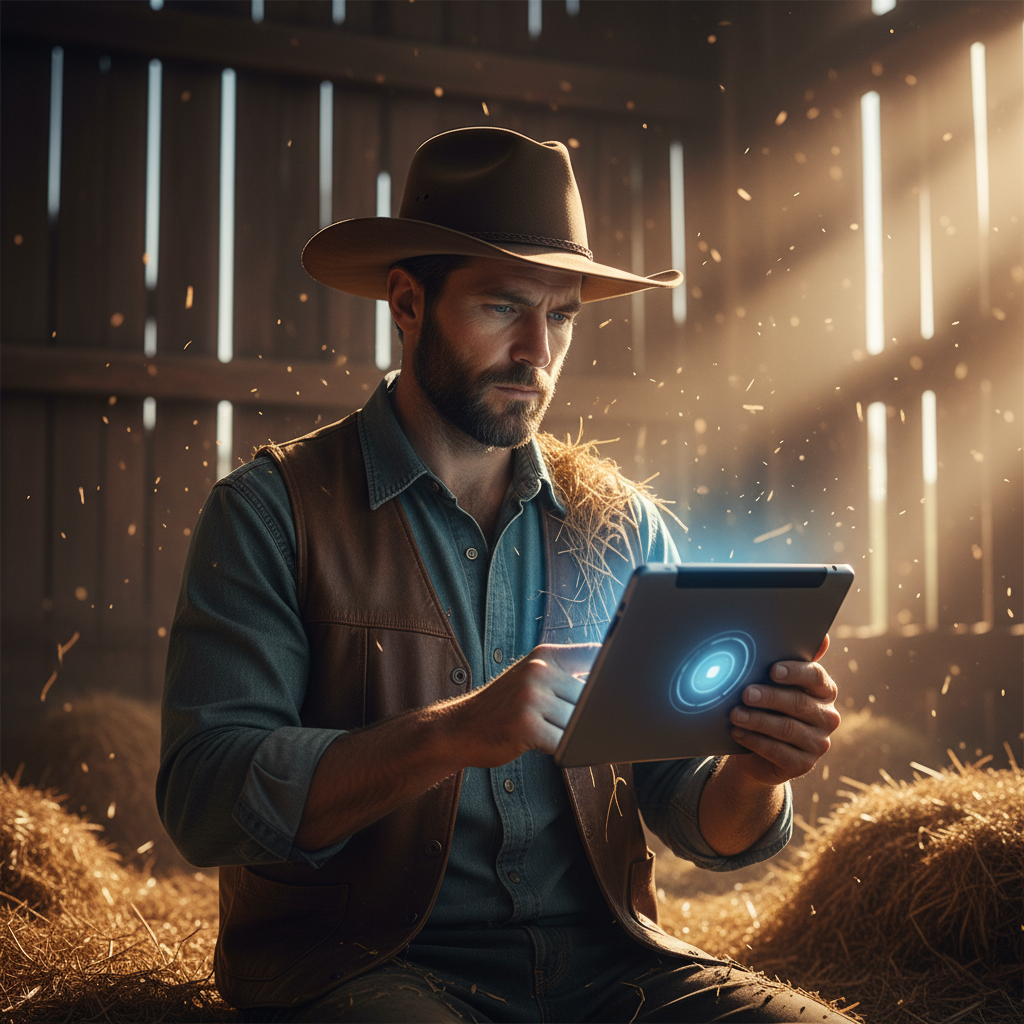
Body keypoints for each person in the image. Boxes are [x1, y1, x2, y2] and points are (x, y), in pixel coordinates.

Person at [158, 127, 848, 1023]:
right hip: (362, 971)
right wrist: (450, 734)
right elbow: (205, 797)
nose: (537, 351)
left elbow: (696, 820)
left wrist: (759, 767)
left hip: (613, 972)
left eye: (560, 315)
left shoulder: (620, 523)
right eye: (503, 307)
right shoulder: (269, 511)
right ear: (407, 304)